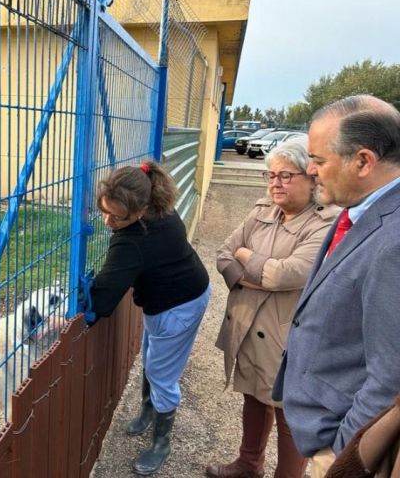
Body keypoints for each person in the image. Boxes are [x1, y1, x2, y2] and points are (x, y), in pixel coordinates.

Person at [273, 95, 400, 478]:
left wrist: (342, 451)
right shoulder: (360, 208)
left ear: (363, 161)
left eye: (320, 160)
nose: (310, 170)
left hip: (344, 450)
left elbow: (390, 376)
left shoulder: (394, 241)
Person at [206, 141, 340, 478]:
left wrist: (247, 257)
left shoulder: (324, 223)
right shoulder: (262, 211)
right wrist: (255, 274)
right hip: (250, 324)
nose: (275, 183)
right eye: (271, 176)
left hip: (287, 334)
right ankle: (249, 464)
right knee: (253, 396)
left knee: (288, 412)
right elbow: (224, 253)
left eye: (285, 175)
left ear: (311, 179)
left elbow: (285, 274)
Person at [88, 160, 211, 476]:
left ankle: (161, 442)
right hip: (173, 295)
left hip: (180, 305)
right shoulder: (160, 207)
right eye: (103, 210)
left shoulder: (134, 240)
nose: (107, 221)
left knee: (161, 373)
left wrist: (78, 306)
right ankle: (147, 410)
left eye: (116, 216)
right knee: (152, 357)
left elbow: (101, 302)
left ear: (139, 210)